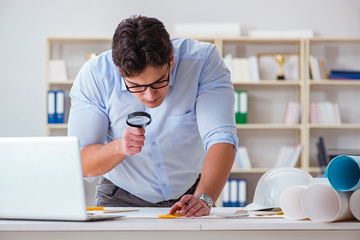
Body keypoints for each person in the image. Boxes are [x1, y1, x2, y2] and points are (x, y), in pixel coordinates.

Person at [68, 15, 238, 217]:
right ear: (121, 71)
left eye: (159, 82)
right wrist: (120, 147)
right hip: (119, 197)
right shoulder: (95, 76)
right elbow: (82, 163)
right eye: (137, 86)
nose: (150, 95)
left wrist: (204, 198)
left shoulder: (202, 62)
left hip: (191, 196)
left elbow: (222, 137)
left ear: (171, 60)